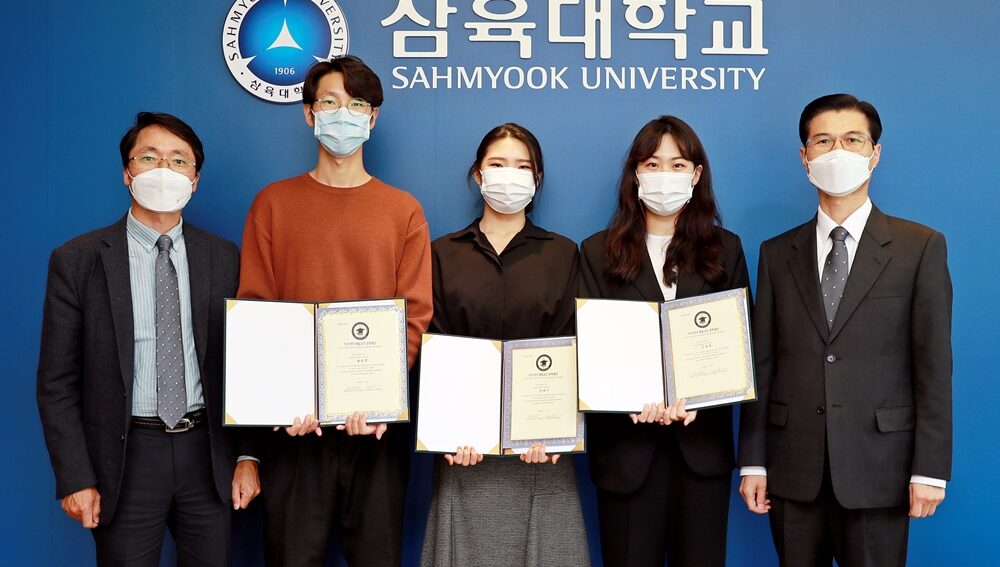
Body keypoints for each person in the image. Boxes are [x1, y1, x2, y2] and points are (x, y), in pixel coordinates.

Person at [36, 112, 260, 566]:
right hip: (123, 459)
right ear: (127, 172)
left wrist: (248, 455)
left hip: (208, 454)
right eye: (149, 157)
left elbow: (246, 365)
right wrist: (75, 476)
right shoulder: (78, 260)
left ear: (194, 180)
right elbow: (56, 382)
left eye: (179, 161)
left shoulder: (223, 257)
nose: (164, 170)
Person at [738, 93, 953, 566]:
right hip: (793, 470)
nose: (838, 152)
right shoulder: (776, 253)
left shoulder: (920, 247)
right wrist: (753, 460)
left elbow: (933, 366)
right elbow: (763, 361)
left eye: (853, 140)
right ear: (805, 157)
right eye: (824, 140)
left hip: (881, 469)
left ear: (875, 153)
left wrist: (931, 470)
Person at [237, 55, 432, 566]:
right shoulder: (272, 205)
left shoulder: (403, 210)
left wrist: (381, 396)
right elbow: (259, 309)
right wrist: (282, 400)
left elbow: (414, 315)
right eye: (330, 102)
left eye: (356, 104)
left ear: (373, 118)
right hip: (295, 430)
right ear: (308, 114)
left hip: (375, 429)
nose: (342, 114)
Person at [579, 115, 749, 566]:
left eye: (677, 165)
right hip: (626, 453)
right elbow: (589, 348)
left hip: (703, 452)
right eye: (652, 164)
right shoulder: (597, 251)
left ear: (696, 175)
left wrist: (705, 396)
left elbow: (741, 347)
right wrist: (624, 398)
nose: (664, 176)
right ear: (635, 173)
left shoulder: (725, 248)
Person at [420, 123, 590, 567]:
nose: (508, 175)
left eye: (522, 166)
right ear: (478, 175)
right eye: (497, 164)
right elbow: (434, 346)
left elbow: (572, 342)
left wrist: (554, 429)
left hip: (541, 453)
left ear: (536, 180)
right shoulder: (442, 253)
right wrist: (448, 431)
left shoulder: (563, 253)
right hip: (463, 451)